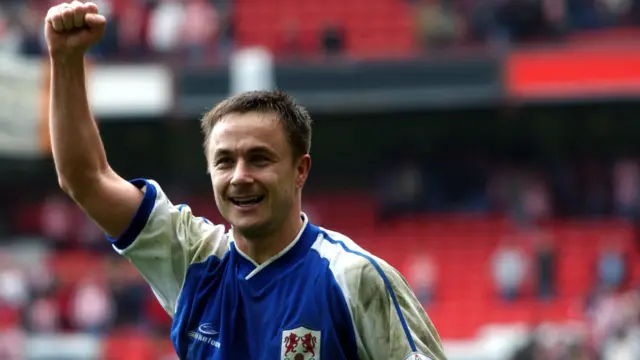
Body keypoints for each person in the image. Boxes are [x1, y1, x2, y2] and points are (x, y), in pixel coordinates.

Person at [44, 2, 447, 359]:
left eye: (259, 159)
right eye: (224, 161)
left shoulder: (351, 276)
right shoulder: (192, 262)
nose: (240, 177)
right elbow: (86, 178)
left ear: (300, 170)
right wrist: (65, 59)